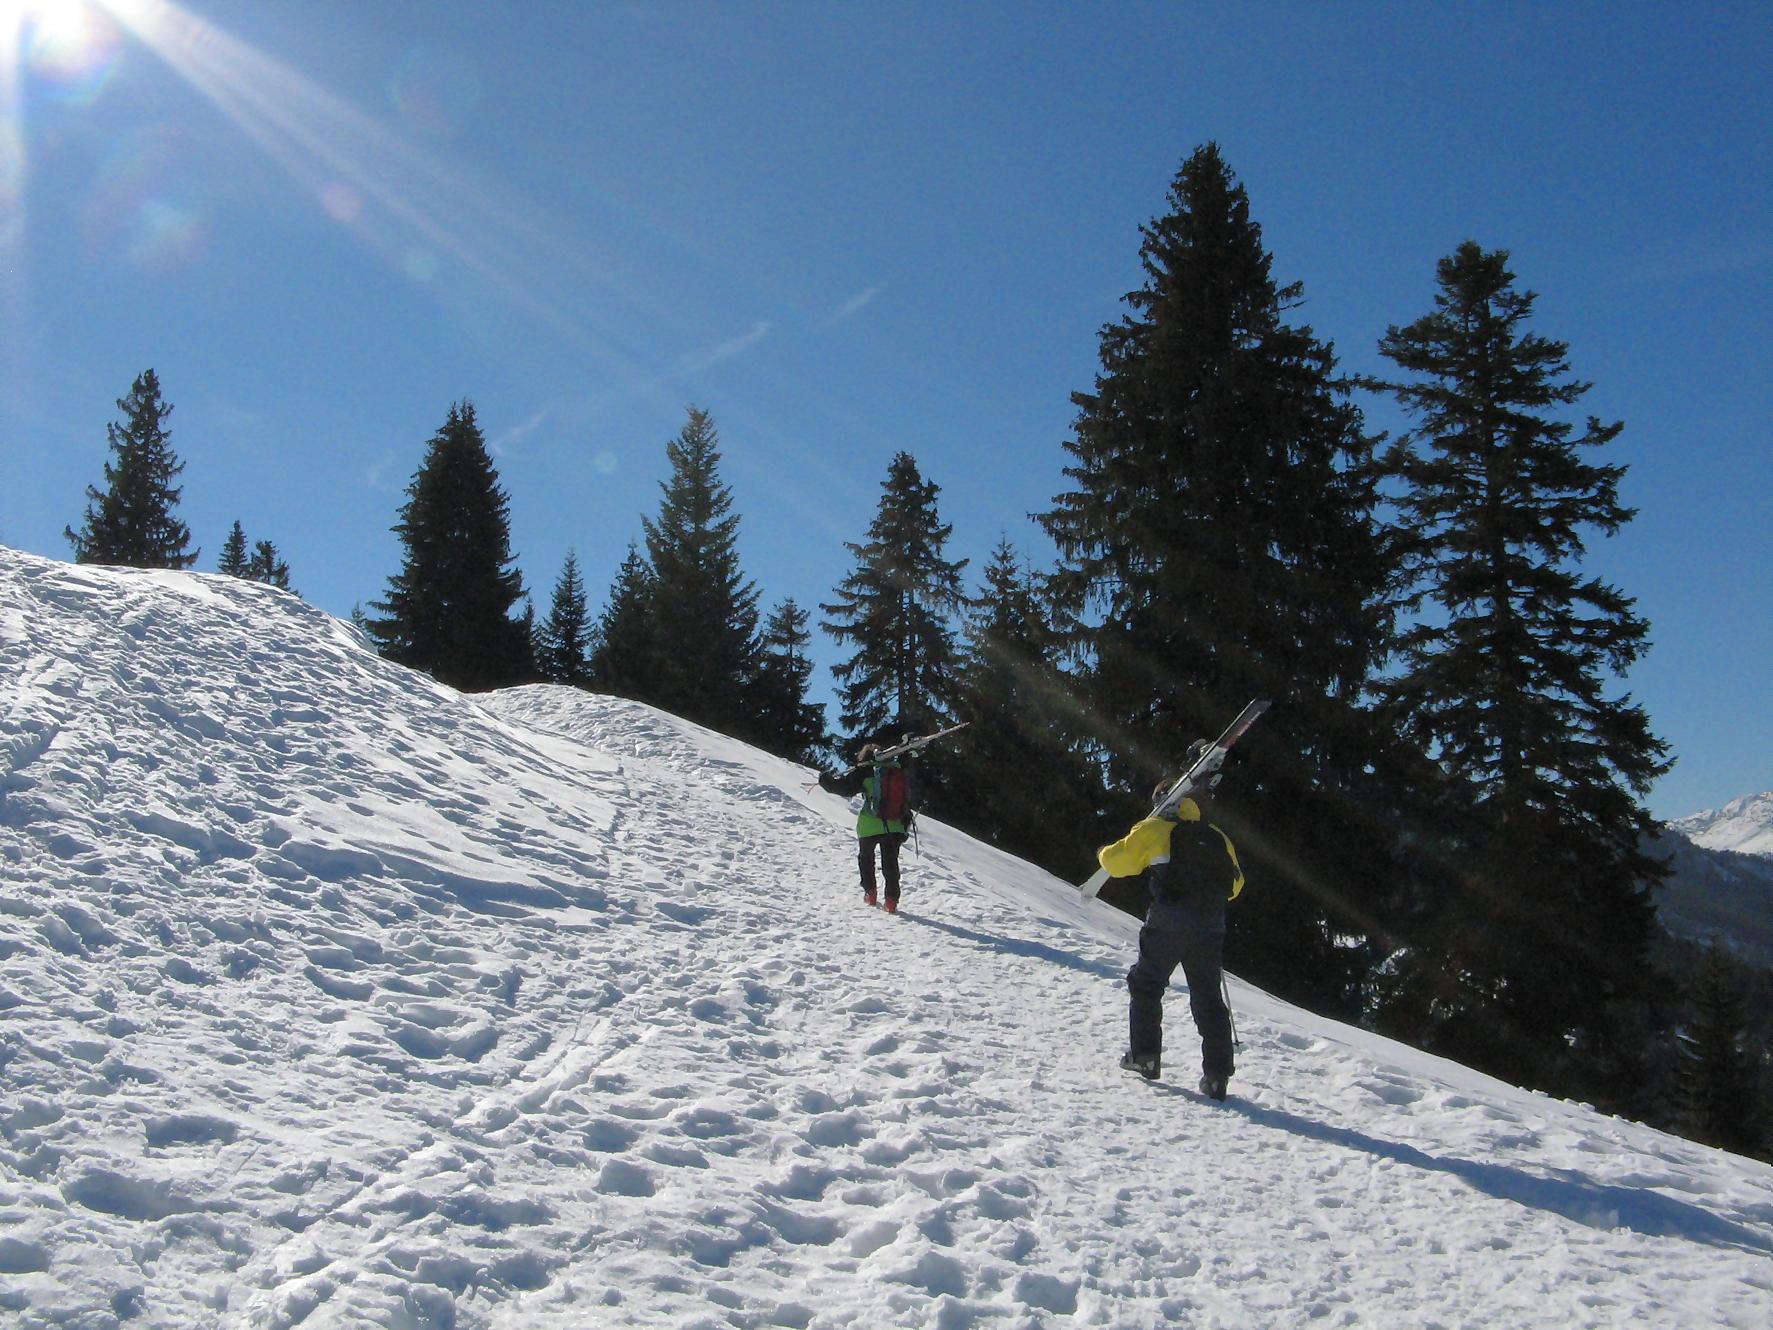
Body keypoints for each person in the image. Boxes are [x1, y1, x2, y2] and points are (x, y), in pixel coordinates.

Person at [1096, 780, 1244, 1099]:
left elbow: (1115, 863)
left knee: (1147, 983)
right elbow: (1235, 886)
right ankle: (1217, 1076)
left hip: (1168, 922)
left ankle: (1145, 1057)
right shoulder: (1216, 835)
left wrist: (1101, 852)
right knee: (1207, 996)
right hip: (1210, 926)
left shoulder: (1154, 829)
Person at [853, 742, 913, 912]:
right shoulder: (895, 770)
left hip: (869, 825)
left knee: (866, 858)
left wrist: (825, 780)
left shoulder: (865, 771)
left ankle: (870, 892)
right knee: (890, 862)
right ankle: (891, 900)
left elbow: (842, 787)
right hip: (894, 825)